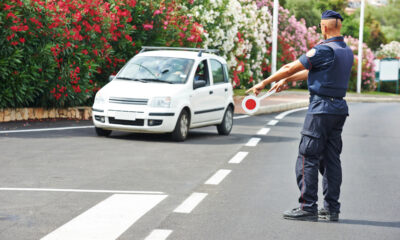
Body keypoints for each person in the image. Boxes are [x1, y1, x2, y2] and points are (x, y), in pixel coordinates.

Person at [246, 10, 354, 222]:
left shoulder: (323, 49)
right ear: (338, 26)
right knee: (331, 160)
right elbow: (311, 71)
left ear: (323, 27)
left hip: (320, 109)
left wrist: (263, 83)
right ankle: (332, 209)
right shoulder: (345, 51)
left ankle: (307, 207)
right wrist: (288, 81)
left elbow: (289, 67)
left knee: (308, 156)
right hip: (339, 109)